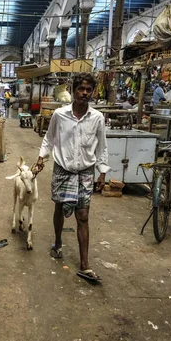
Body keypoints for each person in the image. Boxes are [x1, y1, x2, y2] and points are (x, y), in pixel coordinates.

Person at [35, 72, 109, 282]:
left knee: (83, 216)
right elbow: (49, 139)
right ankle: (58, 243)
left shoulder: (97, 118)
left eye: (88, 90)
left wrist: (102, 172)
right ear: (74, 90)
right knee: (59, 207)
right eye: (81, 89)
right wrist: (41, 158)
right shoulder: (60, 115)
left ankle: (85, 264)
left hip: (85, 171)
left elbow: (102, 147)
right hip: (62, 169)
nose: (84, 93)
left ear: (92, 92)